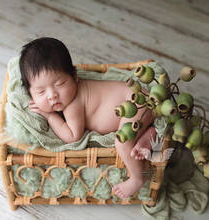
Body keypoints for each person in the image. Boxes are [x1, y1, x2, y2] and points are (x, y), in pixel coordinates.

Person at [19, 37, 156, 199]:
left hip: (135, 103)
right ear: (30, 93)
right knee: (133, 131)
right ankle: (151, 131)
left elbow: (72, 136)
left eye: (60, 84)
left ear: (75, 76)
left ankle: (137, 178)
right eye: (41, 92)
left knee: (123, 142)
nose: (52, 95)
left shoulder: (73, 104)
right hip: (141, 104)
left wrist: (50, 116)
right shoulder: (66, 96)